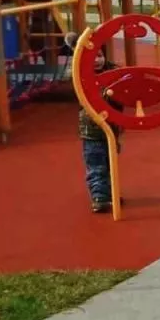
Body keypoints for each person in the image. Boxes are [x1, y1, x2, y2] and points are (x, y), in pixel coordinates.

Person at [65, 32, 122, 213]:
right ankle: (99, 196)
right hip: (91, 131)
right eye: (92, 58)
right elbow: (74, 76)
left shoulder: (112, 71)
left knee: (110, 163)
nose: (97, 60)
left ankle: (110, 193)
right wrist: (78, 53)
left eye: (100, 56)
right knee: (96, 165)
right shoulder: (81, 75)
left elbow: (122, 78)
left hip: (111, 128)